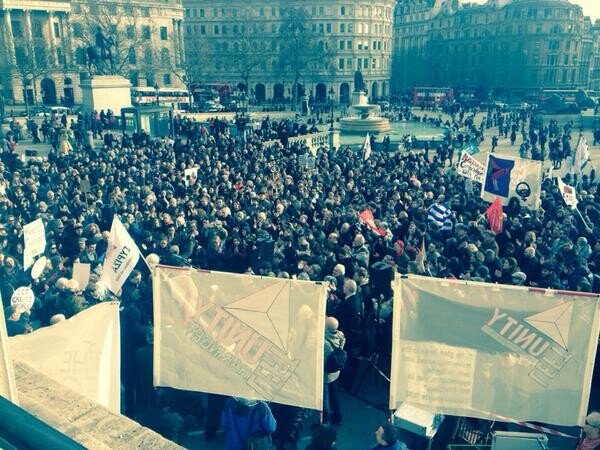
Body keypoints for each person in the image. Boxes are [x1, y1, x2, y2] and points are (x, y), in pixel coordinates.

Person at [323, 316, 346, 426]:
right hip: (335, 372)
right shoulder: (340, 335)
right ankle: (338, 417)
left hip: (326, 375)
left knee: (325, 398)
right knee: (334, 395)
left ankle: (325, 419)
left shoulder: (324, 343)